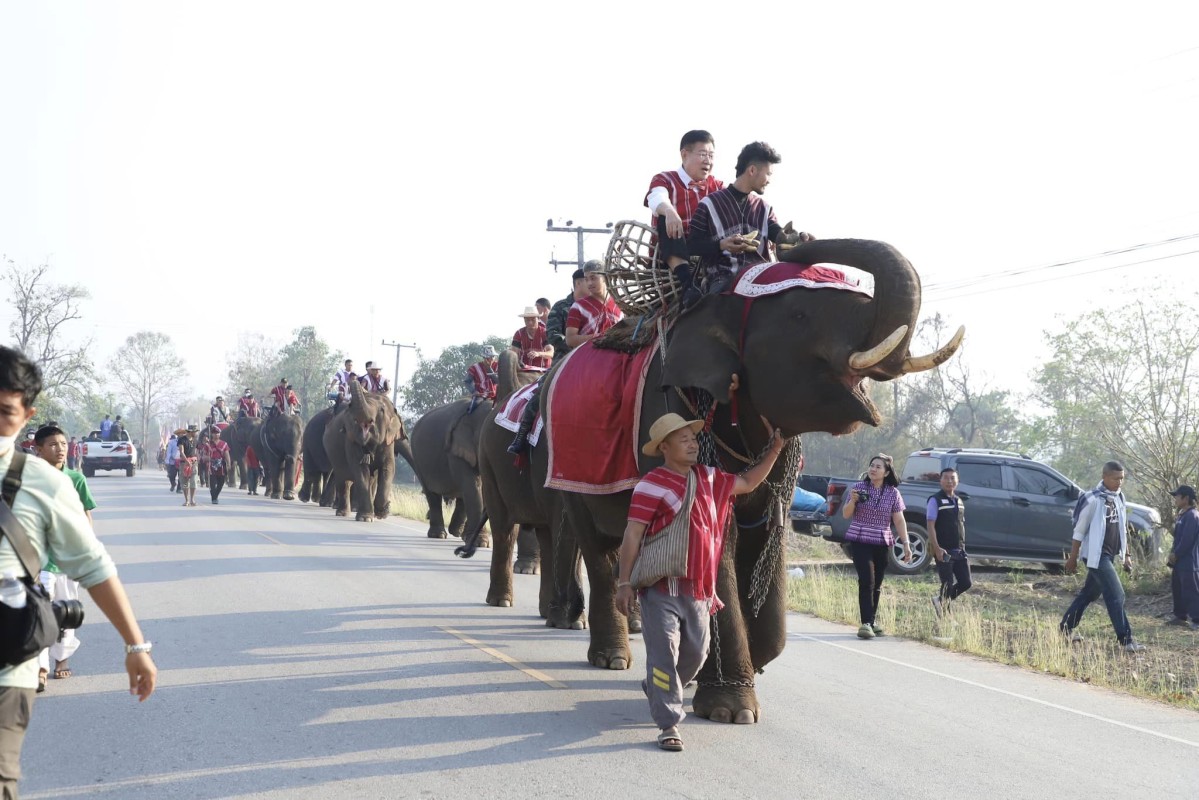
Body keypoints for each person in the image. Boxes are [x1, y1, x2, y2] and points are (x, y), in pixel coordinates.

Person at [0, 346, 156, 796]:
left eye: (4, 411)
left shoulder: (47, 482)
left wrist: (135, 645)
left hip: (7, 668)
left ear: (27, 415)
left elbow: (94, 566)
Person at [614, 412, 786, 752]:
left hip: (699, 592)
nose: (692, 444)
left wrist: (775, 451)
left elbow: (748, 482)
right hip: (661, 589)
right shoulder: (651, 485)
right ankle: (668, 724)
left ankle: (659, 685)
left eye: (693, 439)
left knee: (696, 653)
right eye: (683, 440)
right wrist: (624, 583)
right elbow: (633, 535)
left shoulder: (709, 479)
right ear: (664, 448)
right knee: (664, 655)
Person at [686, 141, 810, 297]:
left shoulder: (765, 209)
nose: (770, 180)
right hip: (723, 280)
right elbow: (692, 246)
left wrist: (800, 239)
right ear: (752, 170)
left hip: (762, 277)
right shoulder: (708, 204)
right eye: (769, 174)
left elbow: (780, 236)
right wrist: (721, 244)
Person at [33, 424, 95, 689]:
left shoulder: (76, 479)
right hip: (39, 560)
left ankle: (62, 660)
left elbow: (86, 516)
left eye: (63, 444)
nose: (60, 449)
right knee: (38, 614)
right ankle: (40, 667)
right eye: (53, 445)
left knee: (67, 613)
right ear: (39, 449)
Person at [1059, 461, 1146, 652]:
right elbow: (1079, 532)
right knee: (1117, 594)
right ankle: (1126, 640)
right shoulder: (1092, 499)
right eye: (1116, 478)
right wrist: (1072, 558)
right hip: (1095, 557)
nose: (1119, 482)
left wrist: (1127, 555)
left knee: (1089, 594)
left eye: (1122, 478)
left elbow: (1122, 528)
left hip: (1110, 554)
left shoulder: (1119, 497)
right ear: (1104, 476)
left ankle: (1065, 628)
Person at [643, 130, 724, 306]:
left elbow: (738, 203)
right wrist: (670, 211)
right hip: (672, 250)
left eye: (711, 155)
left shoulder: (716, 186)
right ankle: (687, 284)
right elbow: (656, 198)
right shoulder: (665, 179)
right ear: (684, 154)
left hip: (704, 248)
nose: (708, 161)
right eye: (702, 154)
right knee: (665, 218)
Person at [841, 454, 912, 639]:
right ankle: (865, 623)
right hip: (860, 539)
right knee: (867, 581)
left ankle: (872, 621)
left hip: (882, 540)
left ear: (886, 472)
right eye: (872, 466)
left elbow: (899, 519)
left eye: (878, 467)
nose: (873, 469)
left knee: (877, 584)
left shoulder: (893, 493)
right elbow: (846, 514)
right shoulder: (858, 488)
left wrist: (906, 544)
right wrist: (853, 501)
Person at [928, 467, 971, 617]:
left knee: (966, 583)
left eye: (952, 478)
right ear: (940, 480)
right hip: (943, 551)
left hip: (959, 550)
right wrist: (937, 548)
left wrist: (963, 547)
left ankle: (940, 600)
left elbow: (960, 525)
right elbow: (930, 525)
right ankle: (945, 616)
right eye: (946, 478)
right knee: (947, 583)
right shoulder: (935, 500)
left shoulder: (959, 501)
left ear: (957, 481)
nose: (949, 481)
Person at [564, 260, 623, 350]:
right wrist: (600, 337)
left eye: (593, 278)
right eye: (586, 279)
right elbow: (570, 339)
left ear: (605, 278)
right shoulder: (578, 307)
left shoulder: (620, 304)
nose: (589, 283)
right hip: (589, 357)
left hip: (618, 354)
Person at [1166, 485, 1199, 629]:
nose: (1175, 499)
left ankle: (1197, 620)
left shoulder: (1192, 515)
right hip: (1179, 561)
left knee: (1190, 591)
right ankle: (1180, 616)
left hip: (1189, 561)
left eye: (1177, 496)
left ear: (1185, 498)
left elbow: (1187, 539)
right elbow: (1177, 538)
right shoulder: (1182, 514)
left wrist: (1176, 554)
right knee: (1177, 588)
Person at [546, 269, 586, 361]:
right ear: (578, 283)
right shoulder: (560, 306)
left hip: (591, 356)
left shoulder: (596, 307)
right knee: (549, 376)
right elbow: (552, 334)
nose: (591, 283)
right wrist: (575, 344)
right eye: (587, 280)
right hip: (564, 358)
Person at [511, 306, 553, 371]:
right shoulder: (518, 334)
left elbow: (551, 353)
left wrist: (538, 354)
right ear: (524, 320)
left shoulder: (544, 333)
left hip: (543, 371)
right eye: (527, 320)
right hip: (524, 372)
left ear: (538, 319)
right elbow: (513, 355)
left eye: (533, 319)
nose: (530, 322)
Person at [207, 428, 231, 504]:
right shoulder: (208, 444)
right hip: (211, 466)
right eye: (214, 433)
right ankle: (214, 498)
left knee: (221, 483)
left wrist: (229, 464)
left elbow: (227, 454)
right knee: (212, 483)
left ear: (220, 434)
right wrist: (209, 459)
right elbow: (204, 455)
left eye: (218, 433)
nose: (216, 434)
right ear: (212, 434)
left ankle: (215, 495)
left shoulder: (224, 444)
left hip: (221, 466)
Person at [176, 427, 199, 507]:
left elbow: (197, 451)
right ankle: (187, 500)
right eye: (195, 431)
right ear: (190, 432)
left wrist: (197, 460)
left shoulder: (196, 440)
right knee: (185, 482)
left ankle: (192, 499)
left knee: (194, 482)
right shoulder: (182, 440)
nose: (196, 433)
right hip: (184, 464)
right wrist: (187, 461)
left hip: (193, 463)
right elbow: (181, 451)